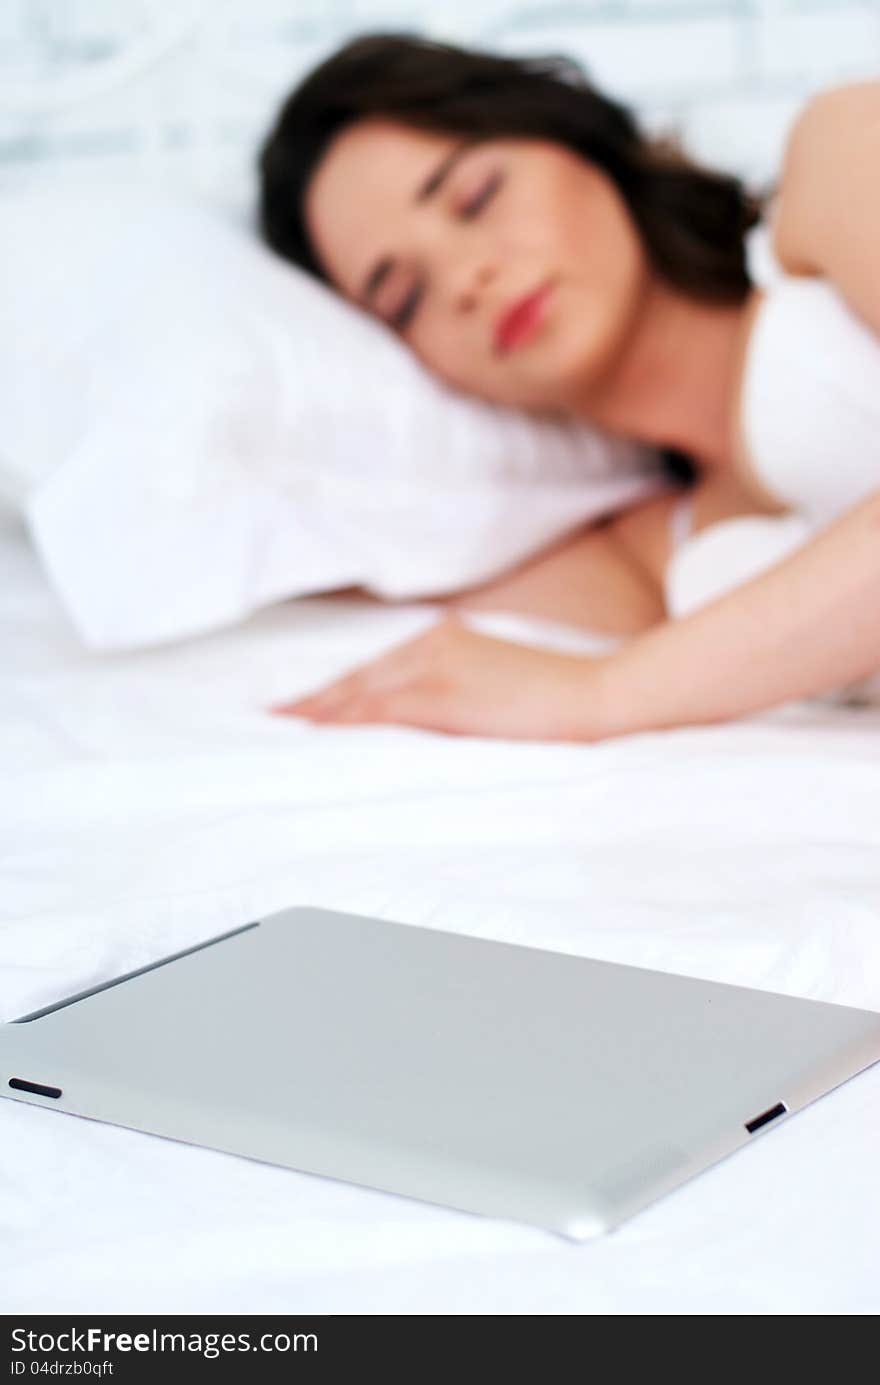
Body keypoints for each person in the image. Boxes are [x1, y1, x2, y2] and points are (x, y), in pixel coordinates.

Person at [258, 33, 880, 741]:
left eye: (475, 197)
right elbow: (318, 554)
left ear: (575, 136)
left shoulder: (835, 161)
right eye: (405, 298)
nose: (465, 279)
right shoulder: (646, 557)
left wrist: (603, 693)